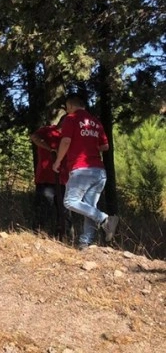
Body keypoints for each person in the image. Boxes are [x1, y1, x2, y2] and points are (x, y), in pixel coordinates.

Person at [53, 93, 118, 249]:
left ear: (69, 106)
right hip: (99, 172)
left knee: (69, 201)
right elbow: (105, 146)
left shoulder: (71, 118)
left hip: (81, 169)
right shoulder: (96, 122)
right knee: (90, 206)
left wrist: (58, 161)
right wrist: (89, 142)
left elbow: (66, 141)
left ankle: (104, 219)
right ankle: (85, 243)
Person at [30, 114, 68, 233]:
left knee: (64, 211)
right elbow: (34, 137)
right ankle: (37, 232)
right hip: (45, 178)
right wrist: (50, 148)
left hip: (64, 179)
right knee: (43, 207)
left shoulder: (70, 136)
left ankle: (64, 236)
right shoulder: (48, 130)